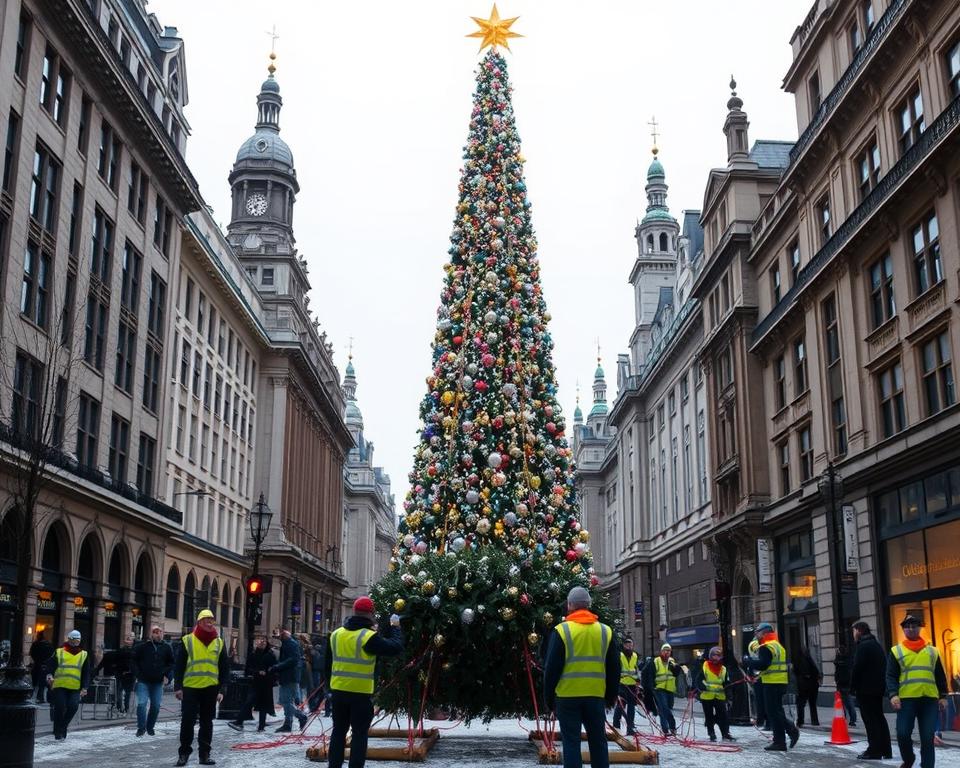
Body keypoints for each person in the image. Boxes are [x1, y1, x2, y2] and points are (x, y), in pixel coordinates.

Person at [543, 586, 619, 768]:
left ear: (570, 606)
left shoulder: (562, 631)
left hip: (567, 697)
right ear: (589, 605)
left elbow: (551, 668)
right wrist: (611, 696)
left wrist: (548, 698)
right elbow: (615, 668)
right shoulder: (605, 631)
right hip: (595, 696)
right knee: (598, 741)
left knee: (571, 742)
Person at [325, 596, 404, 768]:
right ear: (370, 614)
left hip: (338, 692)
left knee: (338, 732)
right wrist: (396, 628)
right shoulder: (368, 637)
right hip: (360, 695)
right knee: (359, 734)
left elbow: (327, 666)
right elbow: (395, 648)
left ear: (354, 611)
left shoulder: (336, 635)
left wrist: (328, 689)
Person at [885, 614, 948, 768]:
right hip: (906, 700)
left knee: (927, 737)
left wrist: (943, 696)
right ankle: (909, 758)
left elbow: (940, 675)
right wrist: (893, 694)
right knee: (902, 733)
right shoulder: (896, 651)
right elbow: (891, 675)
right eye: (907, 626)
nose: (911, 629)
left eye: (914, 625)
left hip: (929, 700)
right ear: (903, 629)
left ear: (920, 627)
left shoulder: (932, 651)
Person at [174, 609, 229, 766]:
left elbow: (225, 668)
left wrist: (222, 689)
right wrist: (178, 687)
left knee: (207, 722)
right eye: (206, 619)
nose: (210, 622)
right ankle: (184, 753)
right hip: (190, 688)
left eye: (212, 619)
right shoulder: (187, 640)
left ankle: (204, 755)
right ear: (199, 622)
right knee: (187, 721)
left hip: (211, 689)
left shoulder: (219, 642)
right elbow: (179, 666)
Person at [744, 622, 799, 752]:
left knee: (773, 712)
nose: (756, 634)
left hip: (771, 683)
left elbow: (763, 664)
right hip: (780, 682)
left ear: (764, 632)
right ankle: (782, 740)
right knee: (776, 711)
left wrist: (748, 661)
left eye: (757, 631)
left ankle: (787, 734)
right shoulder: (777, 645)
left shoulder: (766, 646)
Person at [851, 620, 892, 760]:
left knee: (870, 720)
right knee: (879, 718)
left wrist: (853, 687)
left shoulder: (863, 646)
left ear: (859, 631)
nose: (853, 634)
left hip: (866, 690)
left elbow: (857, 668)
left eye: (854, 631)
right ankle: (886, 749)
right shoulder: (876, 644)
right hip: (878, 688)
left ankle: (874, 750)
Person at [44, 629, 91, 740]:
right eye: (74, 639)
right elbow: (50, 665)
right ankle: (58, 732)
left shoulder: (84, 654)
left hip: (75, 687)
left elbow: (86, 672)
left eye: (78, 639)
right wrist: (50, 675)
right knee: (59, 707)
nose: (76, 641)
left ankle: (61, 727)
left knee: (73, 706)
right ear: (69, 639)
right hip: (60, 685)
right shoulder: (59, 651)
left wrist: (85, 687)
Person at [132, 624, 174, 737]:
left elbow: (171, 663)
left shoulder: (167, 647)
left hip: (158, 682)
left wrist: (167, 676)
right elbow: (134, 660)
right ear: (151, 634)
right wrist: (137, 673)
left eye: (160, 632)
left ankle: (150, 726)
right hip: (143, 681)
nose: (158, 634)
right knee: (141, 704)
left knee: (155, 706)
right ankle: (141, 727)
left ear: (163, 633)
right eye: (155, 632)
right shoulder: (143, 646)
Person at [228, 635, 277, 732]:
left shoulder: (270, 655)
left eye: (264, 641)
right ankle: (239, 721)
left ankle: (261, 727)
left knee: (263, 705)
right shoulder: (253, 655)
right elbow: (248, 669)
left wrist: (268, 672)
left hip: (266, 684)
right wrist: (257, 672)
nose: (262, 642)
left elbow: (275, 668)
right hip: (256, 683)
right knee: (249, 702)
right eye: (260, 640)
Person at [692, 646, 735, 742]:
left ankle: (725, 733)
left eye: (718, 656)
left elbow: (727, 683)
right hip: (707, 696)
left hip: (720, 696)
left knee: (723, 716)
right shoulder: (705, 666)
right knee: (709, 716)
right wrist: (701, 688)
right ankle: (711, 733)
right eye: (714, 655)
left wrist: (729, 696)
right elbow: (698, 679)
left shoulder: (723, 669)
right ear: (710, 656)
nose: (716, 658)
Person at [271, 627, 308, 732]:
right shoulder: (289, 643)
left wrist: (278, 666)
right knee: (287, 701)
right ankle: (288, 724)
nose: (278, 638)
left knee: (285, 701)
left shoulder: (291, 644)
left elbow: (294, 659)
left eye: (279, 636)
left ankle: (301, 716)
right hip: (288, 676)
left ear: (284, 635)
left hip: (290, 677)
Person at [642, 642, 681, 736]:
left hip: (670, 689)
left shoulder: (672, 662)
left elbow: (676, 674)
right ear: (661, 651)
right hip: (658, 689)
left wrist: (677, 668)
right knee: (663, 707)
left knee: (666, 709)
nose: (667, 653)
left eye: (669, 651)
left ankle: (668, 729)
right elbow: (647, 673)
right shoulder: (655, 661)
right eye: (665, 650)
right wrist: (651, 686)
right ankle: (667, 728)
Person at [95, 631, 137, 715]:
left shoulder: (134, 651)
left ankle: (126, 708)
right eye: (127, 639)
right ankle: (120, 708)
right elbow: (115, 661)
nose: (128, 641)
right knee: (119, 691)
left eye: (130, 639)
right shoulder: (121, 651)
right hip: (121, 674)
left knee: (127, 693)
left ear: (133, 641)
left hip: (130, 675)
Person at [612, 636, 639, 735]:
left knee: (631, 707)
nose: (629, 647)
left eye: (630, 645)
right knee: (621, 706)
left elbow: (636, 669)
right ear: (624, 646)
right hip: (622, 684)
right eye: (627, 645)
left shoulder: (635, 656)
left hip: (632, 685)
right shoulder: (619, 656)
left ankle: (630, 728)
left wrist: (637, 679)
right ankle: (616, 726)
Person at [794, 645, 821, 727]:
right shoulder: (811, 661)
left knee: (801, 704)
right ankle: (815, 721)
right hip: (813, 686)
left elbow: (796, 671)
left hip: (803, 686)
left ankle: (800, 721)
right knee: (812, 704)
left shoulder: (798, 661)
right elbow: (816, 672)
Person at [834, 642, 857, 727]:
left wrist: (836, 680)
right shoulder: (848, 660)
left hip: (841, 683)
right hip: (847, 684)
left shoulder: (839, 660)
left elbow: (836, 668)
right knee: (849, 702)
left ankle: (843, 718)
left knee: (842, 703)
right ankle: (852, 719)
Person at [29, 630, 54, 704]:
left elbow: (32, 653)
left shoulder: (35, 644)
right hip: (47, 666)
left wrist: (37, 660)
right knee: (47, 683)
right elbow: (52, 655)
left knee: (35, 682)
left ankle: (36, 697)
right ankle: (48, 698)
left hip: (37, 665)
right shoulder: (49, 645)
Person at [748, 637, 767, 729]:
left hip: (759, 679)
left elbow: (754, 663)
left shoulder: (756, 646)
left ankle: (761, 720)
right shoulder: (762, 646)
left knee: (760, 702)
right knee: (764, 702)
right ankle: (764, 721)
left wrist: (751, 676)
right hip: (762, 678)